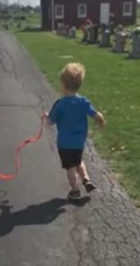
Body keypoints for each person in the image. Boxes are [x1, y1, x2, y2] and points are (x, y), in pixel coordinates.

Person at [42, 63, 106, 200]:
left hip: (65, 144)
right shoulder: (84, 102)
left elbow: (50, 122)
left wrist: (46, 116)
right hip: (79, 142)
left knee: (70, 167)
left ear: (63, 85)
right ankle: (86, 179)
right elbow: (95, 114)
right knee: (78, 161)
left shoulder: (60, 104)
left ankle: (75, 190)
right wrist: (100, 120)